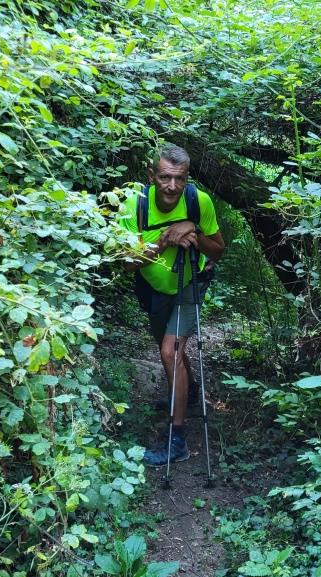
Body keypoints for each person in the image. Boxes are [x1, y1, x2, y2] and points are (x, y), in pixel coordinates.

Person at [122, 144, 226, 466]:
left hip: (190, 284)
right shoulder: (134, 204)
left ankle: (177, 439)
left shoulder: (198, 202)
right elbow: (127, 263)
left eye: (179, 179)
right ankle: (188, 391)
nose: (172, 186)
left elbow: (218, 250)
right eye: (165, 177)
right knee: (167, 348)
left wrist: (194, 231)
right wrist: (165, 239)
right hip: (153, 288)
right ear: (151, 175)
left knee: (171, 351)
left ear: (187, 178)